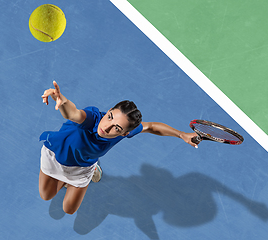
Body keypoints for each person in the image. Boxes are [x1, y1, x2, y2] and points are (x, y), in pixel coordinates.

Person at [39, 81, 198, 214]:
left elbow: (151, 127)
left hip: (82, 167)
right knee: (46, 196)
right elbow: (73, 114)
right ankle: (68, 179)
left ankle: (90, 171)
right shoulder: (92, 118)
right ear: (108, 111)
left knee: (69, 209)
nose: (107, 127)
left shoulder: (126, 132)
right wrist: (62, 101)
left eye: (117, 128)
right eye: (109, 117)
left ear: (124, 134)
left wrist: (181, 134)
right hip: (55, 154)